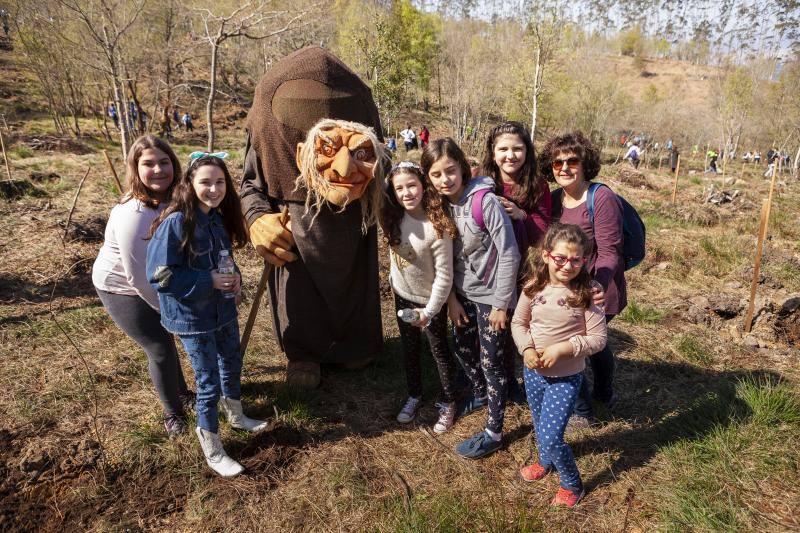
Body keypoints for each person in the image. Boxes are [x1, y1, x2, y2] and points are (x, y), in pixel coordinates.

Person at [240, 46, 386, 389]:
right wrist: (258, 218)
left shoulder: (363, 141)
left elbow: (385, 174)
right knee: (299, 290)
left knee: (355, 287)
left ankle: (356, 343)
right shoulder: (268, 125)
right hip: (296, 223)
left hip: (353, 223)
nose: (343, 165)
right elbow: (250, 183)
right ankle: (304, 352)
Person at [147, 153, 268, 478]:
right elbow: (159, 276)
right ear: (189, 184)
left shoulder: (215, 219)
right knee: (207, 381)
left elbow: (223, 257)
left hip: (222, 308)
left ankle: (237, 415)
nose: (213, 189)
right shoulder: (176, 223)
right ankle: (213, 447)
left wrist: (235, 278)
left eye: (219, 182)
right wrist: (208, 281)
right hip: (192, 318)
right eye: (205, 182)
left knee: (231, 361)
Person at [422, 138, 521, 459]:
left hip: (492, 298)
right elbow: (443, 260)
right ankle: (482, 394)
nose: (444, 180)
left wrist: (500, 304)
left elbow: (509, 253)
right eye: (436, 175)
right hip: (461, 295)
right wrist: (450, 299)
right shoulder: (438, 207)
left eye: (450, 171)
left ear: (463, 169)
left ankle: (495, 429)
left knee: (492, 362)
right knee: (465, 352)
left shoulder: (485, 202)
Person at [92, 135, 193, 438]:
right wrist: (170, 311)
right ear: (136, 169)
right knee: (160, 346)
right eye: (148, 164)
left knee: (167, 340)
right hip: (120, 285)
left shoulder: (172, 199)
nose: (159, 169)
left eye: (164, 162)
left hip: (155, 275)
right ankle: (172, 414)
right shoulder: (133, 215)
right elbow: (137, 277)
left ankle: (184, 394)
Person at [511, 223, 607, 507]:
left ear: (585, 260)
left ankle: (572, 484)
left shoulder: (588, 292)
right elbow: (519, 323)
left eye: (576, 259)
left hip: (565, 378)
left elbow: (598, 339)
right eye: (561, 258)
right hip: (533, 373)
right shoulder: (533, 286)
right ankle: (544, 462)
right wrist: (526, 348)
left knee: (553, 436)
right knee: (541, 425)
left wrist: (565, 348)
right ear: (546, 255)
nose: (568, 265)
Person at [540, 131, 626, 427]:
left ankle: (588, 407)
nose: (564, 168)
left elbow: (611, 250)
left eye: (571, 161)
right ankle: (596, 398)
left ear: (584, 162)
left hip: (598, 288)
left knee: (585, 344)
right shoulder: (552, 200)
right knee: (591, 344)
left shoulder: (601, 197)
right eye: (557, 162)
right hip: (563, 289)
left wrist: (597, 284)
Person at [380, 161, 460, 434]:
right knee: (409, 349)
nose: (406, 193)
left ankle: (449, 400)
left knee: (439, 352)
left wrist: (431, 310)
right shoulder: (393, 217)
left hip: (430, 302)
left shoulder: (437, 228)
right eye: (399, 188)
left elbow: (444, 277)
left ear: (424, 186)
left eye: (412, 185)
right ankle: (414, 394)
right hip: (403, 297)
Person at [480, 121, 551, 403]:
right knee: (488, 324)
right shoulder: (480, 180)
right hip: (485, 265)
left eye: (517, 149)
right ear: (493, 152)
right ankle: (489, 378)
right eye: (503, 149)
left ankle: (517, 377)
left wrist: (522, 216)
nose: (510, 155)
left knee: (516, 321)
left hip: (524, 265)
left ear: (527, 151)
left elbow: (545, 228)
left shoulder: (538, 183)